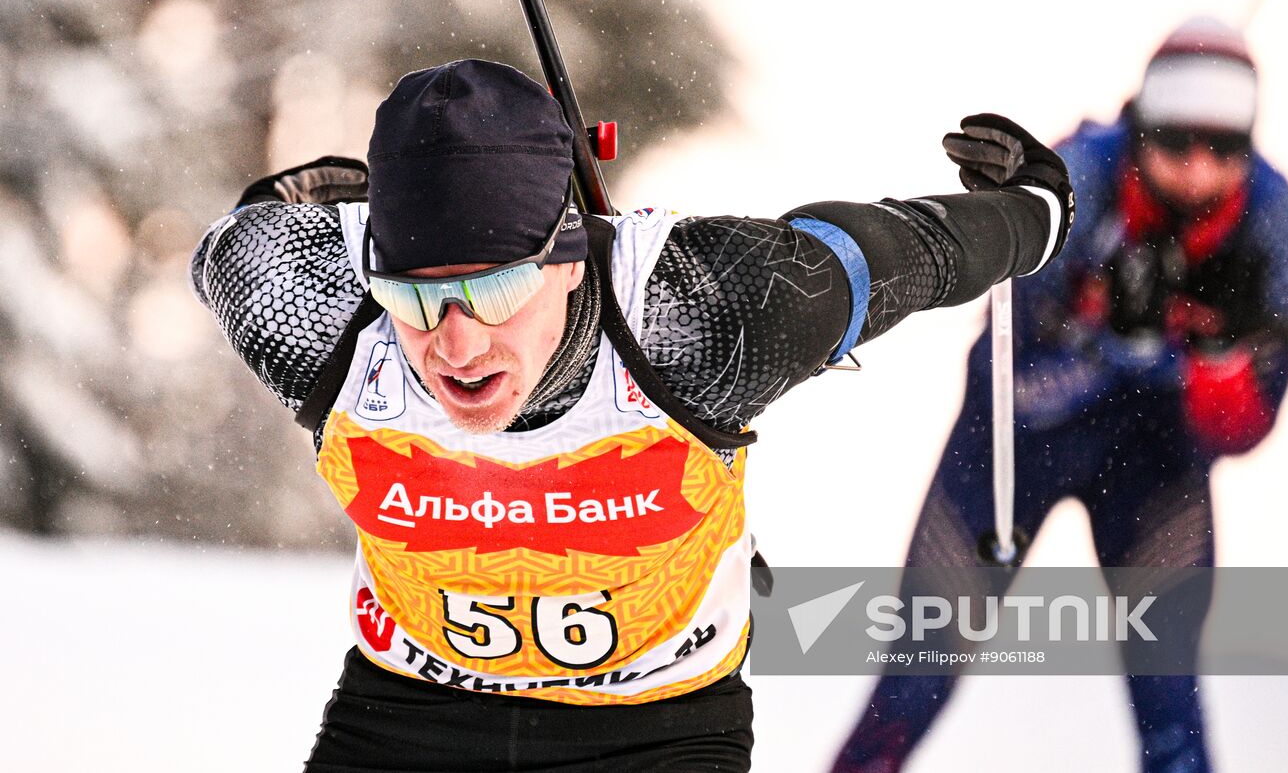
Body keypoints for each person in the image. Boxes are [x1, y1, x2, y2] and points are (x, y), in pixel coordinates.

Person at [191, 58, 1073, 772]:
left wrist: (1033, 208)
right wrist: (294, 200)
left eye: (494, 290)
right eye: (415, 300)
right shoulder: (315, 312)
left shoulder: (700, 313)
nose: (455, 347)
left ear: (570, 257)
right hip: (407, 716)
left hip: (658, 729)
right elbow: (237, 246)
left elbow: (905, 254)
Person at [832, 17, 1288, 773]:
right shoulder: (1077, 182)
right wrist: (1109, 334)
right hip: (1009, 450)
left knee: (1170, 702)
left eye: (1222, 148)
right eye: (1174, 142)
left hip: (1157, 464)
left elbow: (1242, 432)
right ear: (1138, 125)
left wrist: (1216, 358)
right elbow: (1015, 383)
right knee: (917, 673)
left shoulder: (1282, 236)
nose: (1196, 169)